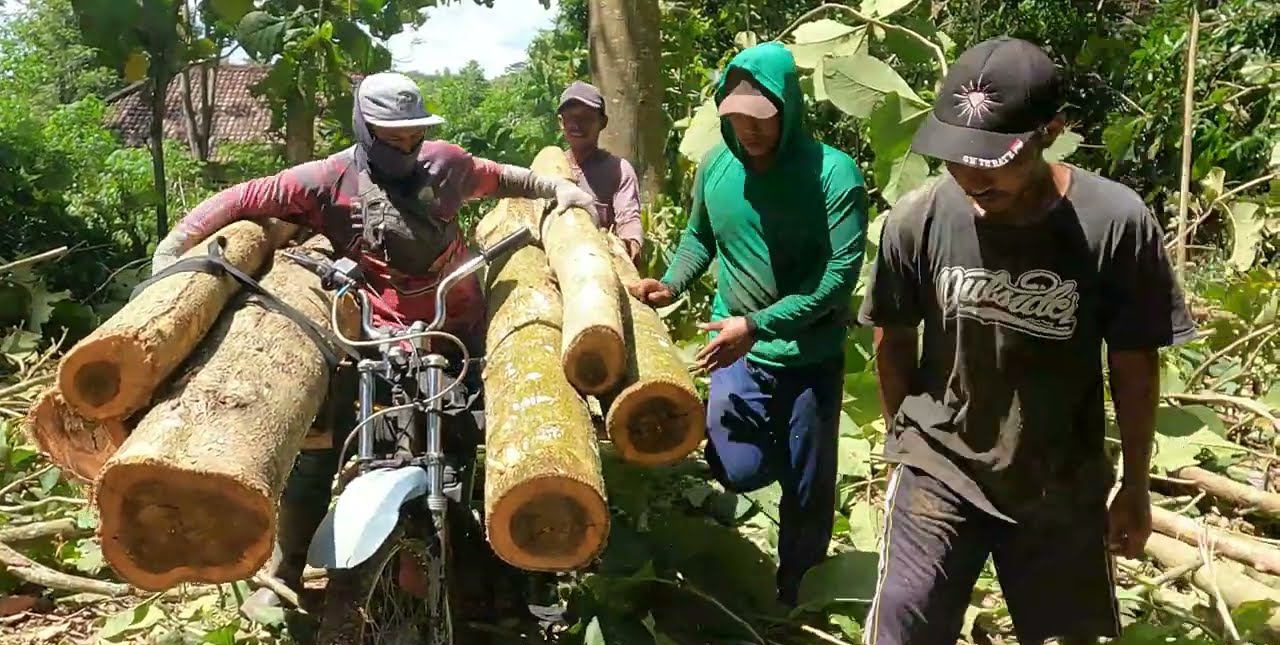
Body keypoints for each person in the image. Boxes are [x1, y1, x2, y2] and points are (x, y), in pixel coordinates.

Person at [150, 72, 598, 612]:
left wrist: (561, 189)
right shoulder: (328, 179)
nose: (406, 148)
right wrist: (173, 251)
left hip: (455, 328)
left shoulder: (446, 165)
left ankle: (520, 568)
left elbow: (504, 177)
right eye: (393, 138)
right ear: (365, 129)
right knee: (322, 438)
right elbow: (243, 197)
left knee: (475, 437)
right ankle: (289, 565)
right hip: (370, 333)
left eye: (413, 136)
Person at [853, 37, 1197, 645]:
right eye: (956, 157)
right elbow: (893, 343)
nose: (971, 176)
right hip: (940, 461)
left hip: (1058, 470)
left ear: (1051, 135)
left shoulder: (1114, 224)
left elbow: (1133, 363)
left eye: (994, 160)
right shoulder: (917, 219)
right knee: (895, 618)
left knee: (1082, 630)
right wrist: (903, 445)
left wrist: (1133, 482)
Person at [626, 42, 868, 607]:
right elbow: (699, 239)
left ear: (788, 108)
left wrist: (758, 323)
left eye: (761, 118)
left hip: (809, 355)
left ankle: (798, 592)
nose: (749, 131)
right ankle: (774, 462)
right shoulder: (717, 168)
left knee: (808, 489)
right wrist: (671, 283)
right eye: (735, 117)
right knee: (738, 468)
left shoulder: (833, 175)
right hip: (736, 350)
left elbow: (837, 277)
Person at [555, 80, 645, 263]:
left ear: (602, 122)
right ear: (560, 123)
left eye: (586, 118)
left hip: (600, 263)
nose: (577, 125)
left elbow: (628, 217)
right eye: (570, 118)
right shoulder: (551, 168)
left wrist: (631, 244)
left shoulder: (618, 170)